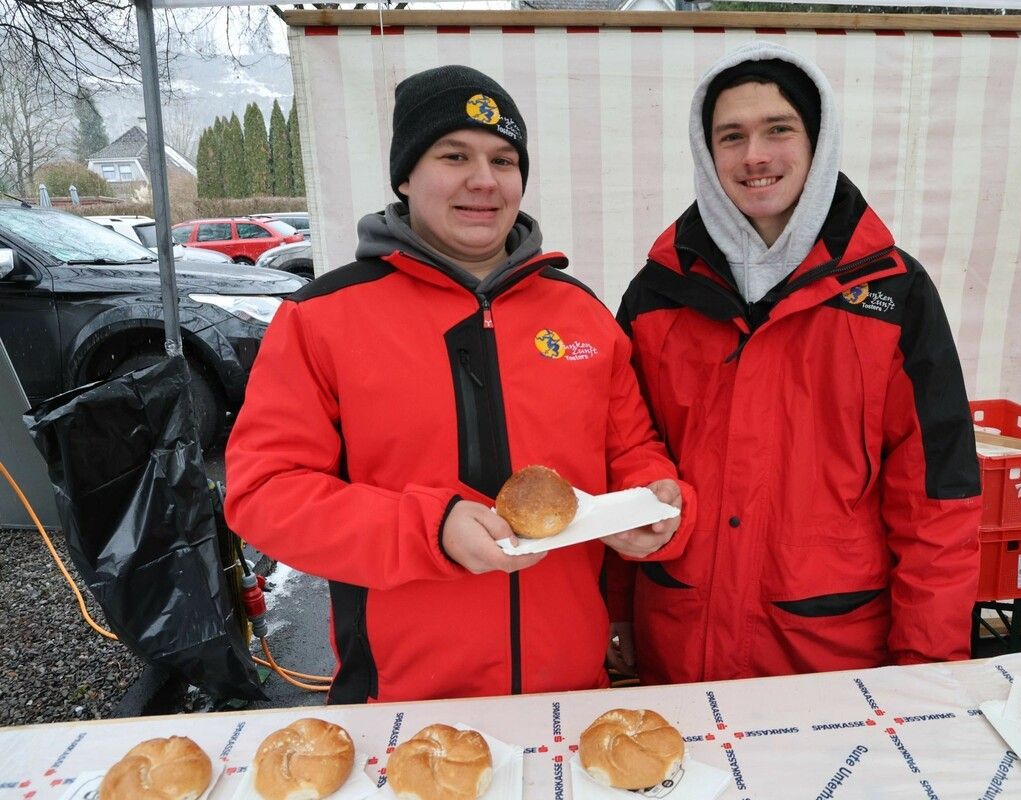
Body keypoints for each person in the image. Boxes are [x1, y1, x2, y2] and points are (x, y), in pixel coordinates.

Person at [224, 65, 692, 704]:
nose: (484, 180)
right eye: (454, 155)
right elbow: (265, 495)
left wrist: (654, 500)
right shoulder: (322, 318)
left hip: (572, 691)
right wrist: (428, 529)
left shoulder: (581, 315)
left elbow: (631, 451)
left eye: (504, 160)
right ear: (405, 175)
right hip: (402, 701)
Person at [617, 42, 982, 684]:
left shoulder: (894, 294)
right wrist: (611, 612)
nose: (755, 156)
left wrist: (929, 667)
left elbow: (937, 498)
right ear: (707, 155)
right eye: (731, 136)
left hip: (829, 652)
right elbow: (621, 462)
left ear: (817, 140)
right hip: (679, 645)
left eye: (778, 130)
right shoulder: (657, 291)